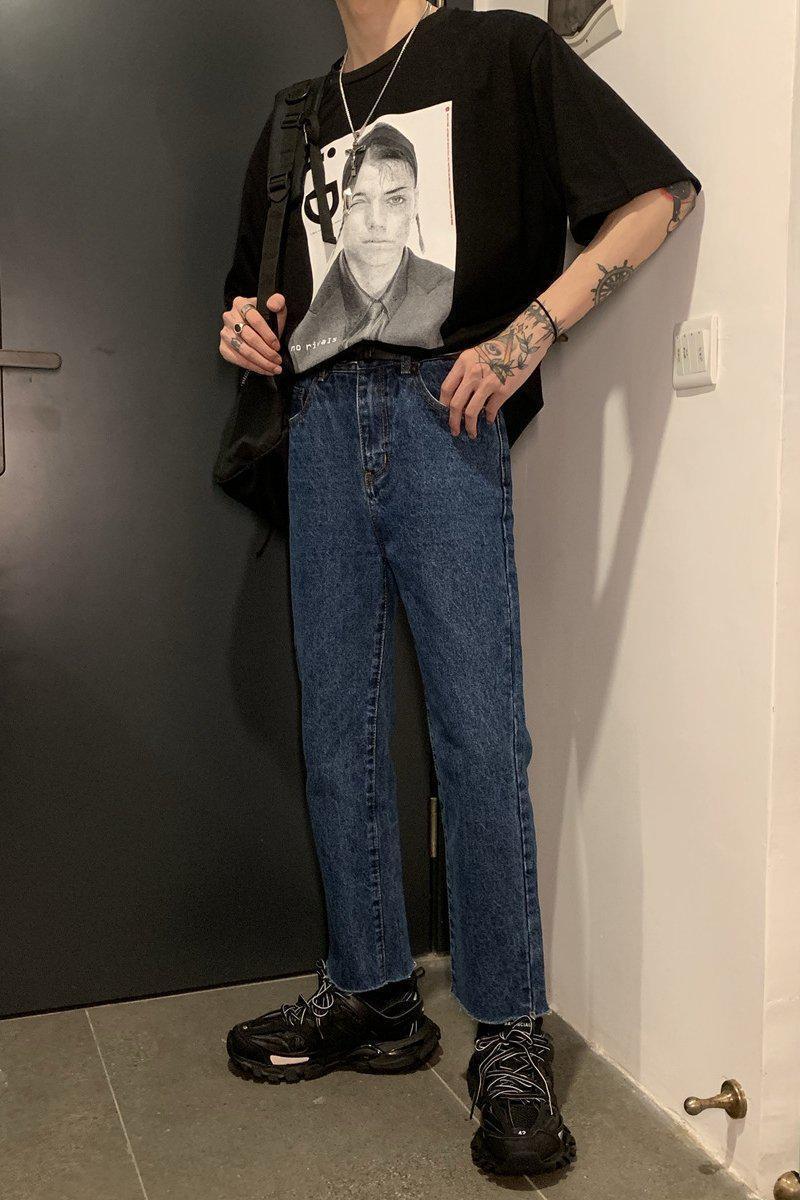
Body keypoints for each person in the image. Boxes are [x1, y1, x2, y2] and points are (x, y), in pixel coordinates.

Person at [219, 0, 702, 1178]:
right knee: (336, 731)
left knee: (479, 736)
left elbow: (655, 197)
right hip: (318, 426)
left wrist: (525, 335)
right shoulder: (294, 118)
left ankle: (508, 1027)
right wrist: (245, 327)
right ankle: (373, 994)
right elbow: (261, 298)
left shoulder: (496, 50)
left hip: (443, 415)